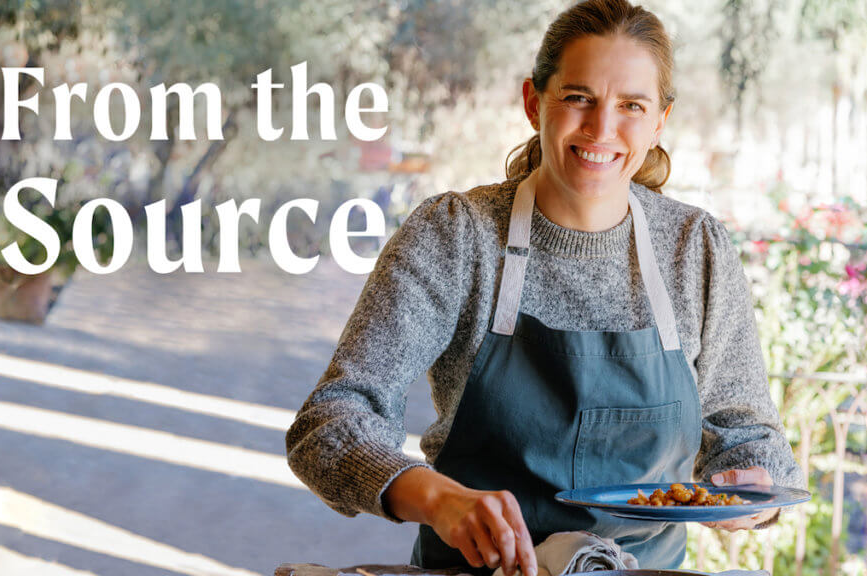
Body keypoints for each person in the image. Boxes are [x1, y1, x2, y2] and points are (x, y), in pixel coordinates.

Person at [285, 1, 803, 574]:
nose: (601, 129)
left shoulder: (694, 249)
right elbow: (329, 425)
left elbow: (751, 440)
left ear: (660, 120)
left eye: (631, 105)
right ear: (534, 103)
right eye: (578, 97)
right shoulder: (456, 237)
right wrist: (437, 498)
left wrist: (751, 489)